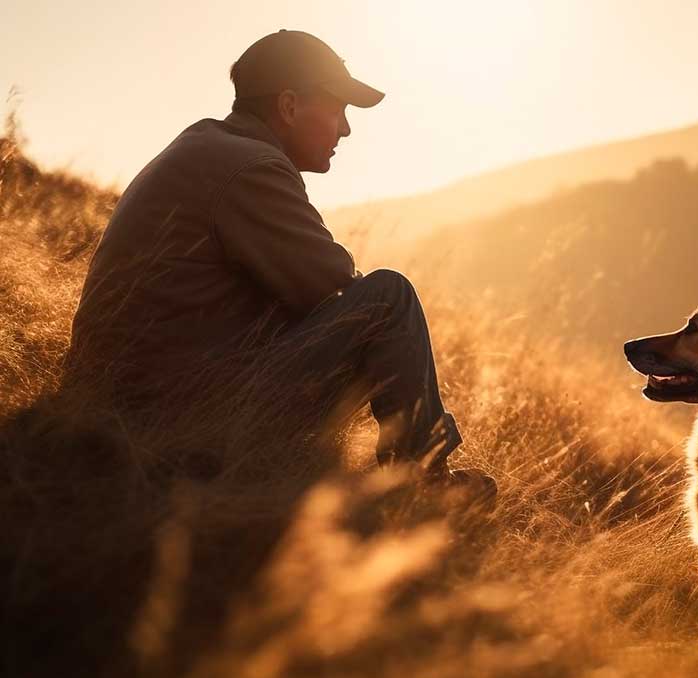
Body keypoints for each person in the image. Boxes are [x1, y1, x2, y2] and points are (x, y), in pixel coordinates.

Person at [65, 30, 494, 493]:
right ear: (289, 106)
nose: (345, 129)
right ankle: (423, 482)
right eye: (337, 109)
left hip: (121, 407)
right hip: (170, 421)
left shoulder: (207, 147)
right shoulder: (252, 168)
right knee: (389, 299)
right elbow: (333, 287)